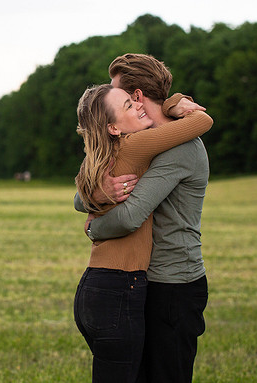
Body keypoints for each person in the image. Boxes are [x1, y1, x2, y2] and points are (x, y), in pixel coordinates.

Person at [75, 53, 212, 383]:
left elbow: (128, 217)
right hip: (146, 282)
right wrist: (95, 193)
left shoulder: (178, 147)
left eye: (118, 92)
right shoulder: (141, 140)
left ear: (136, 97)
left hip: (174, 286)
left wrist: (95, 227)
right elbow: (82, 193)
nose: (112, 95)